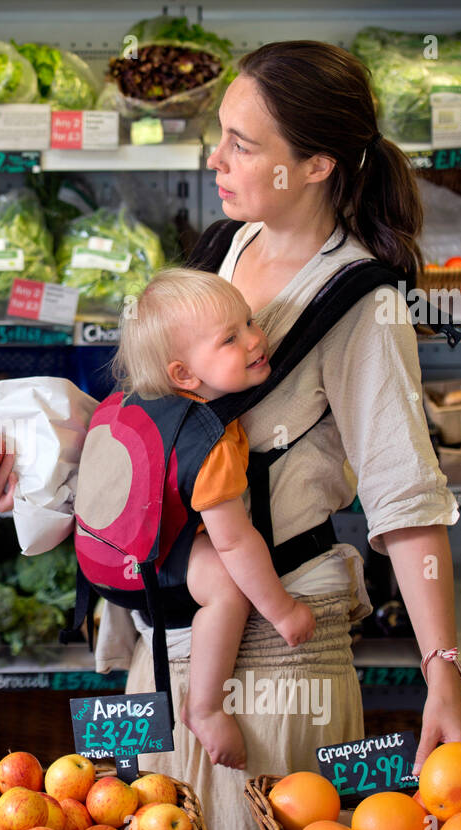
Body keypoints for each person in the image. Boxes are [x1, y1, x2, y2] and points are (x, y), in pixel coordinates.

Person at [0, 40, 461, 830]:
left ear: (315, 164)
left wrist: (442, 672)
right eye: (220, 134)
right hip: (153, 642)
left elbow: (405, 496)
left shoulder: (362, 302)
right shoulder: (218, 251)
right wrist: (32, 469)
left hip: (275, 659)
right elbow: (149, 437)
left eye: (243, 142)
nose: (216, 157)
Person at [85, 268, 316, 769]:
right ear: (185, 375)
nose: (257, 339)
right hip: (147, 568)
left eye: (249, 322)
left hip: (105, 557)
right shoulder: (207, 439)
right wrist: (282, 611)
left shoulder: (131, 401)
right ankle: (205, 707)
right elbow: (235, 541)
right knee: (228, 586)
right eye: (231, 338)